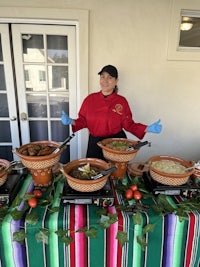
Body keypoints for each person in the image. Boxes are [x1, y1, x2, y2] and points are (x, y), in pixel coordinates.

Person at [61, 65, 162, 159]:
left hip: (116, 144)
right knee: (94, 171)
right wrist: (71, 121)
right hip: (95, 143)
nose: (105, 80)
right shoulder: (90, 99)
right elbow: (82, 121)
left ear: (116, 81)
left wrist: (147, 129)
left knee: (115, 173)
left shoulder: (121, 101)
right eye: (102, 77)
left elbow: (129, 125)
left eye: (109, 77)